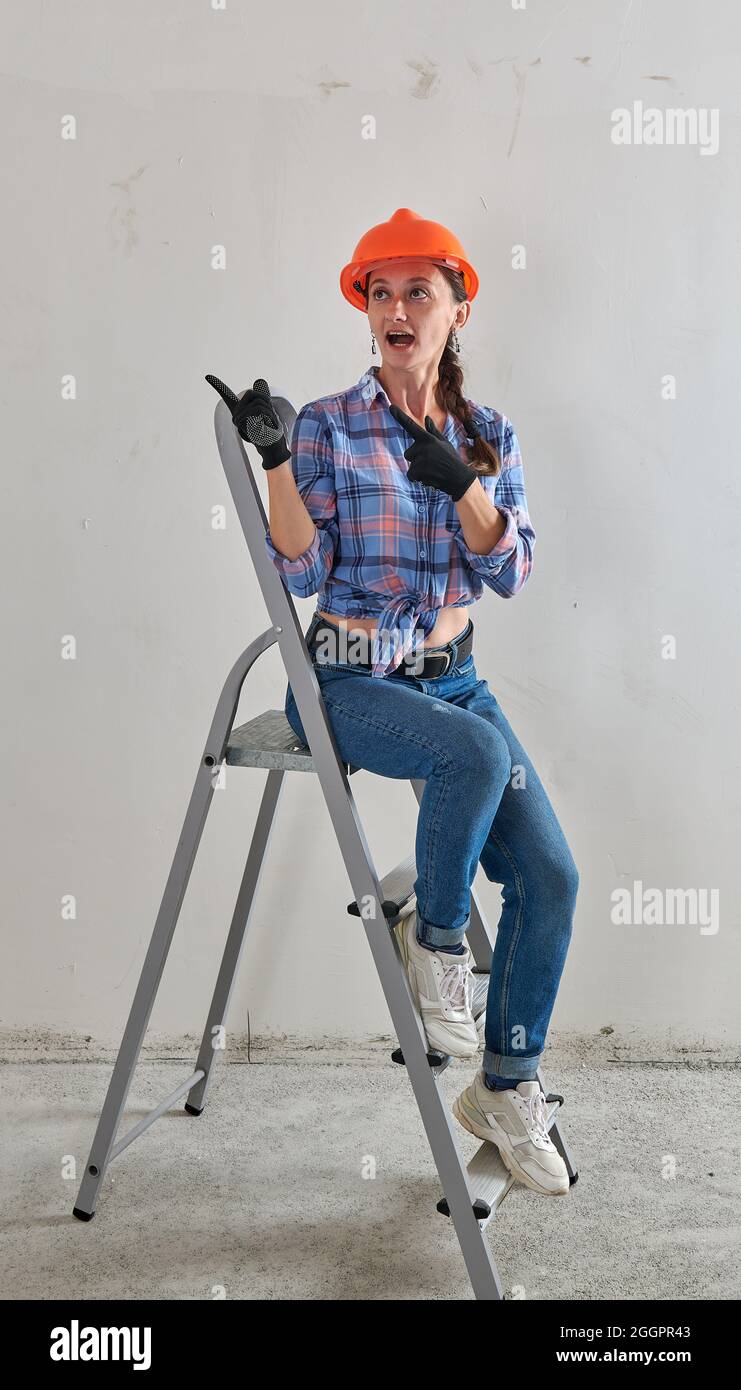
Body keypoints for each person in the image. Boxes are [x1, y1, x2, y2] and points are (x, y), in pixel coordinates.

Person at [210, 208, 579, 1198]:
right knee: (473, 754)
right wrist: (278, 458)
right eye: (381, 291)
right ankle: (439, 943)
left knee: (551, 878)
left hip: (454, 678)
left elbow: (510, 570)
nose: (397, 308)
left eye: (419, 290)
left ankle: (506, 1087)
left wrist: (463, 484)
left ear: (457, 309)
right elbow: (301, 567)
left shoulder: (486, 433)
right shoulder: (332, 424)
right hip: (349, 678)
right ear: (367, 310)